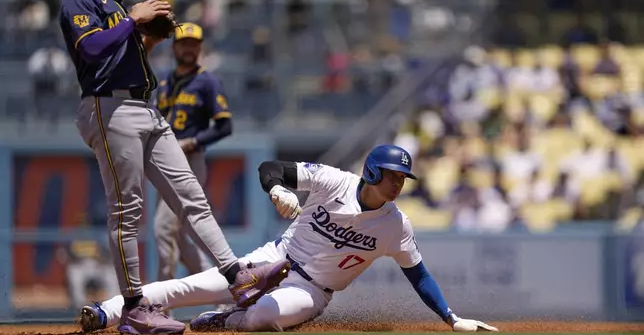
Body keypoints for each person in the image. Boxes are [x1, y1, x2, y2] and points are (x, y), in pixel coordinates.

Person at [58, 0, 290, 334]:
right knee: (126, 212)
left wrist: (148, 36)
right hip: (109, 108)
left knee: (192, 198)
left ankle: (237, 277)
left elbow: (118, 50)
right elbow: (93, 49)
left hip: (144, 107)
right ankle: (134, 309)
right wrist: (133, 19)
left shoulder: (111, 2)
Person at [79, 145, 499, 333]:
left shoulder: (396, 225)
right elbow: (270, 167)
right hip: (272, 258)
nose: (397, 184)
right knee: (190, 286)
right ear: (372, 172)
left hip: (312, 290)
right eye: (391, 175)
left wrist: (450, 318)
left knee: (263, 317)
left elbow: (419, 276)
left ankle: (226, 320)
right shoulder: (335, 181)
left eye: (402, 178)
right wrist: (278, 190)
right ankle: (104, 313)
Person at [153, 22, 232, 283]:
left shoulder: (207, 81)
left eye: (194, 44)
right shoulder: (164, 80)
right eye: (184, 43)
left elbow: (224, 126)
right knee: (178, 233)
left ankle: (161, 303)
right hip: (163, 160)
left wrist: (192, 142)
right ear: (174, 46)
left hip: (188, 160)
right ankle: (221, 288)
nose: (189, 48)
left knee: (164, 229)